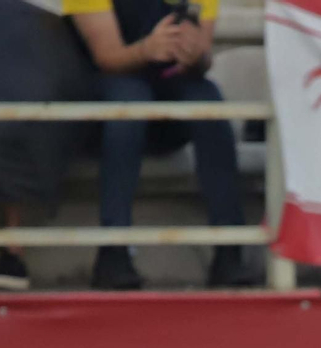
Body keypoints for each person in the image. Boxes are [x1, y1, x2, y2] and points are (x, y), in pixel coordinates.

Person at [66, 0, 254, 289]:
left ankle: (229, 250)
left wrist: (194, 56)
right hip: (100, 106)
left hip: (165, 100)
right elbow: (106, 56)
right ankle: (113, 252)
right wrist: (147, 49)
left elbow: (204, 59)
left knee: (207, 100)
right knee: (130, 98)